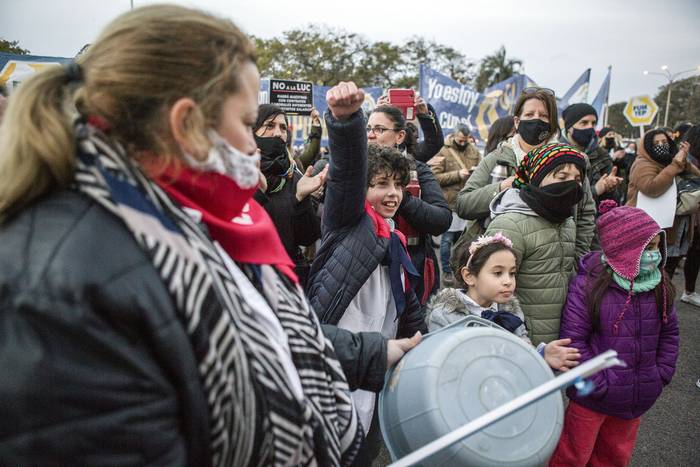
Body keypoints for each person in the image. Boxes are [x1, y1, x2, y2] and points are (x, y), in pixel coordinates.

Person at [0, 6, 421, 465]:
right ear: (185, 124)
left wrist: (373, 355)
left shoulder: (173, 216)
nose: (254, 147)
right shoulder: (63, 289)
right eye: (246, 124)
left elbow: (263, 330)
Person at [307, 82, 427, 464]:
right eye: (379, 185)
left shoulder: (396, 240)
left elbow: (408, 307)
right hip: (334, 364)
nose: (392, 194)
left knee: (362, 452)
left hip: (376, 369)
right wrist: (344, 121)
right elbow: (345, 175)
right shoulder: (346, 222)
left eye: (397, 185)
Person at [549, 201, 679, 467]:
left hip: (636, 396)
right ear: (624, 251)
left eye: (656, 248)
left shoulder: (659, 285)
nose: (655, 256)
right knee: (572, 455)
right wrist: (599, 384)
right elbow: (575, 341)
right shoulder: (587, 287)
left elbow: (670, 333)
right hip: (591, 397)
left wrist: (660, 374)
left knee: (614, 457)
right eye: (647, 249)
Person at [454, 88, 596, 273]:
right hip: (499, 265)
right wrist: (504, 185)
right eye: (529, 114)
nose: (536, 119)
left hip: (553, 268)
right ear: (517, 121)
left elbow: (586, 214)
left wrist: (575, 262)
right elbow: (464, 204)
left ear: (552, 123)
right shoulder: (497, 159)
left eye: (543, 115)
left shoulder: (572, 160)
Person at [426, 233, 581, 372]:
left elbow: (522, 350)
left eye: (512, 273)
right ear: (469, 276)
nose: (508, 281)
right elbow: (444, 368)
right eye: (498, 273)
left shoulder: (510, 311)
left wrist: (540, 356)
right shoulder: (445, 316)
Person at [483, 143, 587, 345]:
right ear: (536, 178)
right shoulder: (510, 224)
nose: (571, 185)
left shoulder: (566, 221)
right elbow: (489, 294)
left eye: (577, 180)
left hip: (559, 339)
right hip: (522, 341)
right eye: (562, 177)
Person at [367, 103, 451, 304]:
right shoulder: (354, 169)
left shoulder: (418, 169)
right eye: (368, 128)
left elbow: (441, 219)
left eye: (379, 129)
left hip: (413, 268)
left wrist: (399, 197)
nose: (371, 135)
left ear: (400, 137)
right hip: (366, 268)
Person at [253, 103, 327, 286]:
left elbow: (307, 238)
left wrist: (300, 200)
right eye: (269, 126)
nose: (278, 133)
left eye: (283, 128)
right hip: (251, 277)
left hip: (288, 281)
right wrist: (255, 191)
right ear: (252, 131)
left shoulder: (293, 175)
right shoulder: (235, 171)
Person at [626, 128, 700, 277]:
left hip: (665, 225)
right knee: (642, 268)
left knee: (664, 269)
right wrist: (675, 165)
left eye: (664, 141)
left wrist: (683, 159)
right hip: (643, 225)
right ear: (647, 146)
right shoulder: (643, 164)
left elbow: (695, 174)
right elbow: (651, 187)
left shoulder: (670, 160)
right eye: (656, 143)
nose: (661, 145)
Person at [430, 124, 482, 286]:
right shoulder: (443, 151)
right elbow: (435, 177)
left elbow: (482, 171)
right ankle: (446, 271)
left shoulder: (474, 151)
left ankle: (458, 269)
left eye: (465, 140)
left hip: (467, 203)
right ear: (454, 136)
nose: (462, 142)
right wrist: (457, 174)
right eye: (460, 140)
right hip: (450, 203)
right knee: (446, 240)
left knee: (462, 240)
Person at [561, 104, 623, 205]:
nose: (590, 127)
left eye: (593, 123)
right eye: (584, 123)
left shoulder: (602, 155)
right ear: (569, 127)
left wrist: (609, 187)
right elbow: (558, 198)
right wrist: (595, 190)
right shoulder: (553, 153)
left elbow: (611, 202)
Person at [677, 125, 700, 306]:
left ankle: (689, 290)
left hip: (691, 214)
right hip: (686, 214)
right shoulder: (686, 159)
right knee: (674, 256)